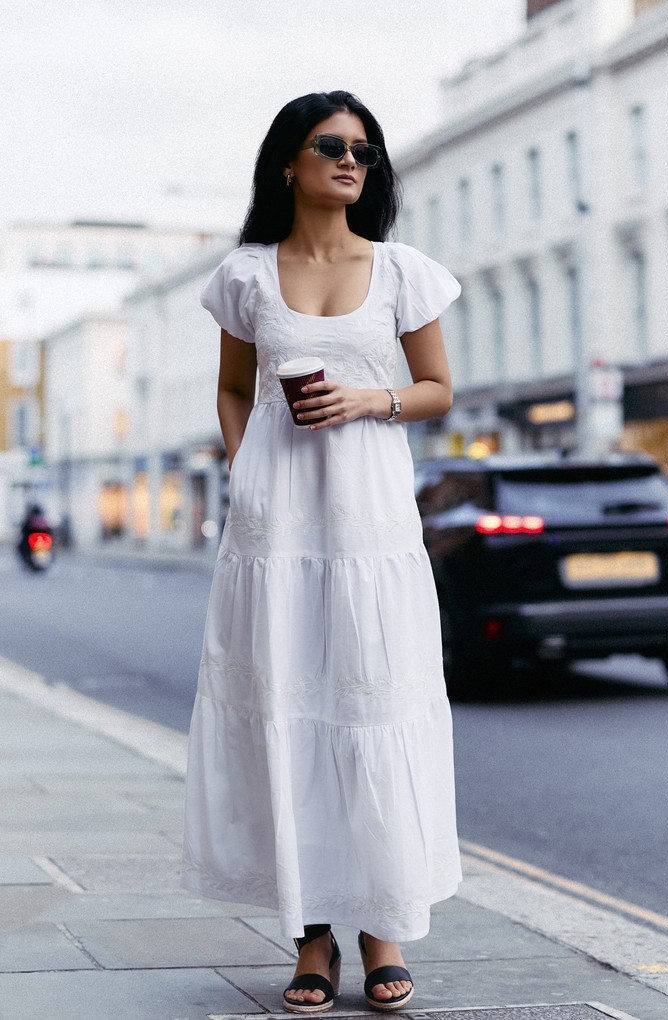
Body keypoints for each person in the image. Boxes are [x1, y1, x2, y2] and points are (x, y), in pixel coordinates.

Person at [182, 90, 463, 1014]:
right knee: (285, 713)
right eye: (330, 145)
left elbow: (437, 389)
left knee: (370, 712)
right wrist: (247, 468)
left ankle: (383, 926)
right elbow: (233, 389)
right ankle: (311, 940)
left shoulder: (403, 271)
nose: (351, 161)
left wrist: (365, 400)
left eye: (365, 151)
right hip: (278, 531)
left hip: (370, 527)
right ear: (287, 164)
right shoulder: (247, 276)